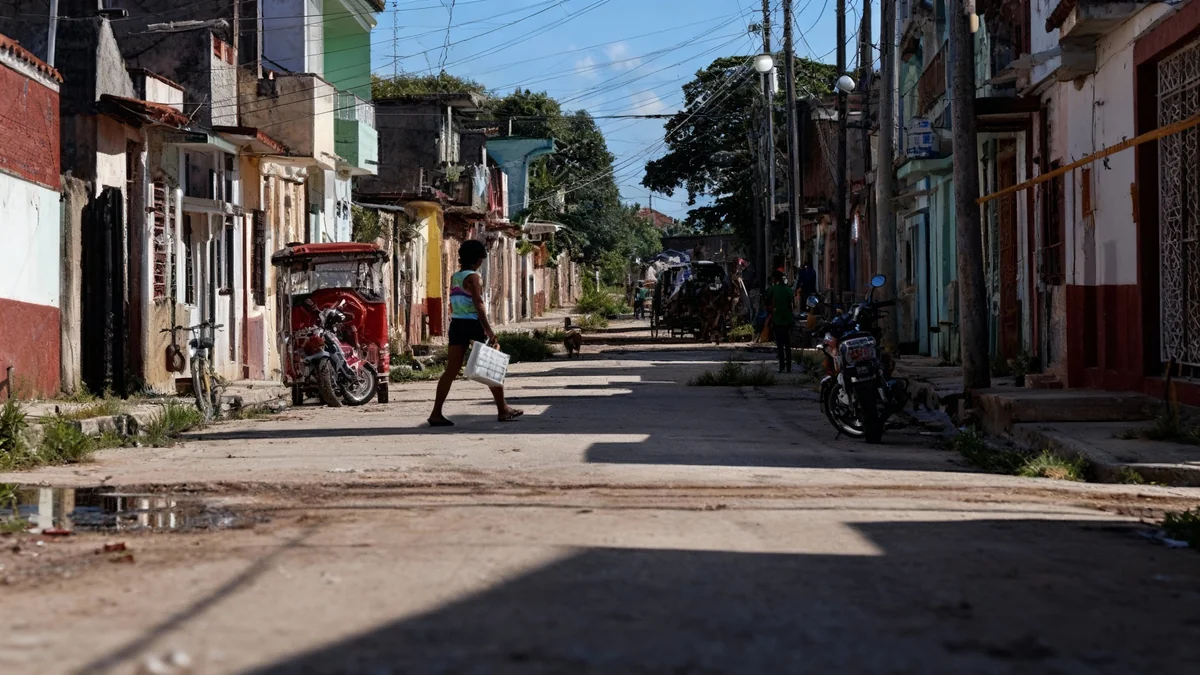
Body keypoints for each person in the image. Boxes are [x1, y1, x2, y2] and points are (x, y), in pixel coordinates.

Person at [429, 240, 523, 426]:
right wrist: (489, 330)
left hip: (457, 324)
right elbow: (478, 304)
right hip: (472, 324)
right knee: (492, 365)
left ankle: (436, 413)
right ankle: (502, 409)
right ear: (478, 258)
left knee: (451, 370)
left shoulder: (456, 276)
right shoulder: (474, 277)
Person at [765, 269, 795, 373]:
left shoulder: (773, 289)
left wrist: (771, 309)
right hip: (788, 320)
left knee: (780, 345)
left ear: (774, 278)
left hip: (777, 319)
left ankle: (781, 367)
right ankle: (789, 368)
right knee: (787, 345)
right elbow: (792, 302)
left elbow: (766, 299)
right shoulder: (788, 289)